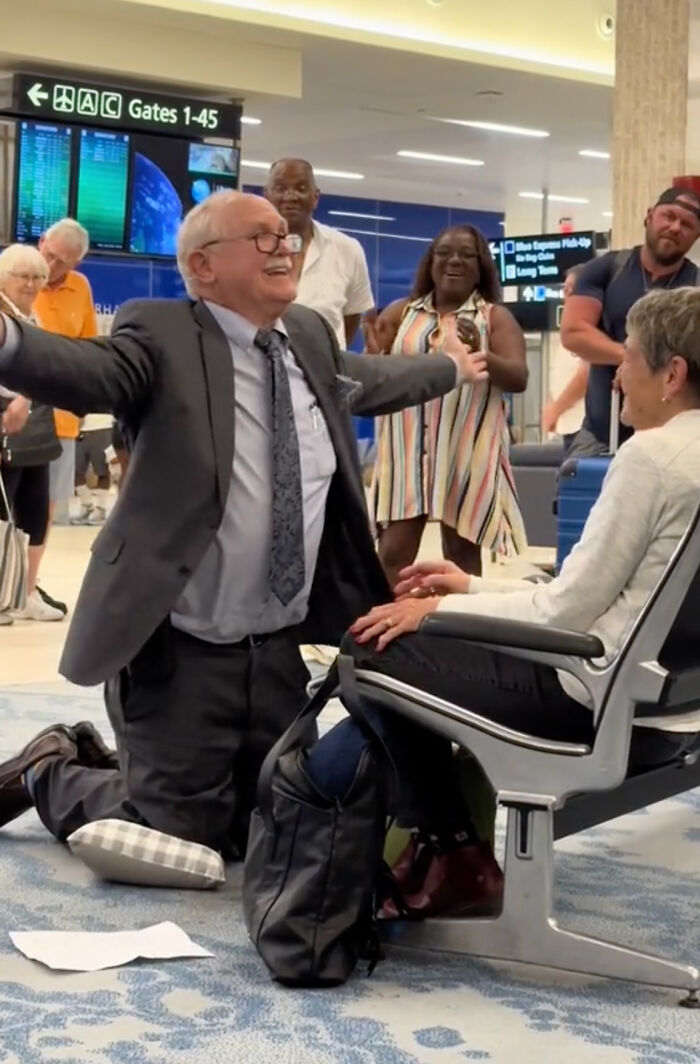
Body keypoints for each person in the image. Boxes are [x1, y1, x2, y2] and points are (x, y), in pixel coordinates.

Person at [0, 190, 488, 858]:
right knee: (176, 832)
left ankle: (143, 767)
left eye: (285, 237)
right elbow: (85, 370)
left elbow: (366, 379)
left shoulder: (310, 335)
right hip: (179, 650)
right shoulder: (163, 334)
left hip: (277, 648)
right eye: (261, 237)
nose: (284, 245)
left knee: (274, 822)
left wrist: (447, 369)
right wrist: (8, 340)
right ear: (203, 266)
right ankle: (51, 766)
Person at [306, 286, 700, 918]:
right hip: (675, 711)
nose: (618, 375)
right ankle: (436, 843)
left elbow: (564, 616)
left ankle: (451, 848)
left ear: (672, 373)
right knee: (407, 641)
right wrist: (471, 587)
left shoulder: (651, 458)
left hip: (593, 704)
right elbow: (608, 599)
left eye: (627, 358)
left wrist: (435, 612)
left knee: (367, 647)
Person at [366, 224, 529, 586]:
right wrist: (374, 353)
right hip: (406, 452)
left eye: (466, 254)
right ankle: (382, 628)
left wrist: (481, 354)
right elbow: (376, 372)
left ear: (480, 264)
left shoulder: (494, 318)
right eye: (444, 252)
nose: (454, 260)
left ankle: (459, 634)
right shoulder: (401, 312)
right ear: (431, 261)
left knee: (460, 554)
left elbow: (518, 378)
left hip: (464, 451)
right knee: (392, 553)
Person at [561, 187, 700, 457]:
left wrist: (638, 362)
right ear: (649, 217)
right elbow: (573, 333)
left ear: (696, 236)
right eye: (668, 216)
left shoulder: (696, 287)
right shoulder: (606, 269)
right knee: (574, 491)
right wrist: (628, 358)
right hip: (601, 435)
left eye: (687, 225)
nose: (674, 227)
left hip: (674, 442)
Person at [0, 245, 64, 623]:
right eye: (22, 276)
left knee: (34, 512)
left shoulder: (32, 316)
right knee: (1, 513)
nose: (31, 284)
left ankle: (24, 591)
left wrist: (27, 396)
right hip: (5, 424)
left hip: (36, 428)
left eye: (38, 277)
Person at [263, 159, 375, 347]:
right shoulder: (246, 247)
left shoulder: (347, 249)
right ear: (267, 196)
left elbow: (352, 316)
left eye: (301, 188)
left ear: (315, 197)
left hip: (325, 371)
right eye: (281, 188)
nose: (291, 196)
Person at [541, 265, 589, 452]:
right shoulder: (569, 329)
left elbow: (584, 377)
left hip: (582, 426)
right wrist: (550, 408)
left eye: (572, 289)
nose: (565, 294)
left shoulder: (592, 329)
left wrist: (555, 410)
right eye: (564, 288)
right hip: (566, 426)